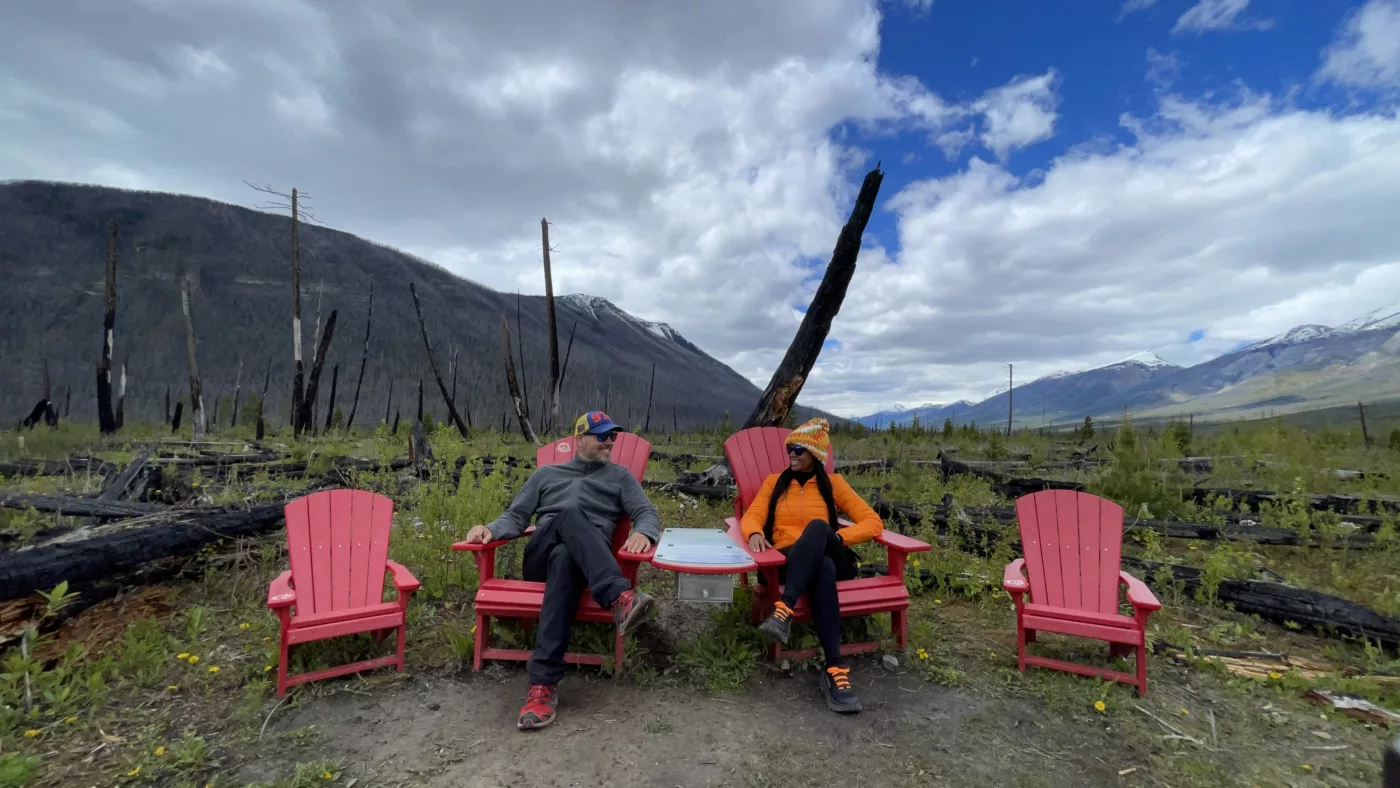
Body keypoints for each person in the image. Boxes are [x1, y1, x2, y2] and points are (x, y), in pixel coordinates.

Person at [461, 410, 659, 731]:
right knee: (567, 515)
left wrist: (644, 531)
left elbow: (646, 513)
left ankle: (542, 687)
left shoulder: (621, 477)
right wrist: (489, 529)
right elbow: (516, 516)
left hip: (582, 566)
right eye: (602, 436)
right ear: (579, 440)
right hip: (539, 556)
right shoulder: (546, 474)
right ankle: (619, 597)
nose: (610, 442)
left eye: (613, 437)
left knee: (566, 557)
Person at [739, 417, 883, 714]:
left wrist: (838, 538)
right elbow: (751, 515)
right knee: (823, 567)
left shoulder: (834, 485)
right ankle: (835, 669)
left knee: (819, 529)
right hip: (788, 560)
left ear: (815, 455)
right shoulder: (773, 484)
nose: (791, 454)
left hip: (834, 549)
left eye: (798, 450)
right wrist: (754, 533)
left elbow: (873, 523)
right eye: (789, 448)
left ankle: (784, 608)